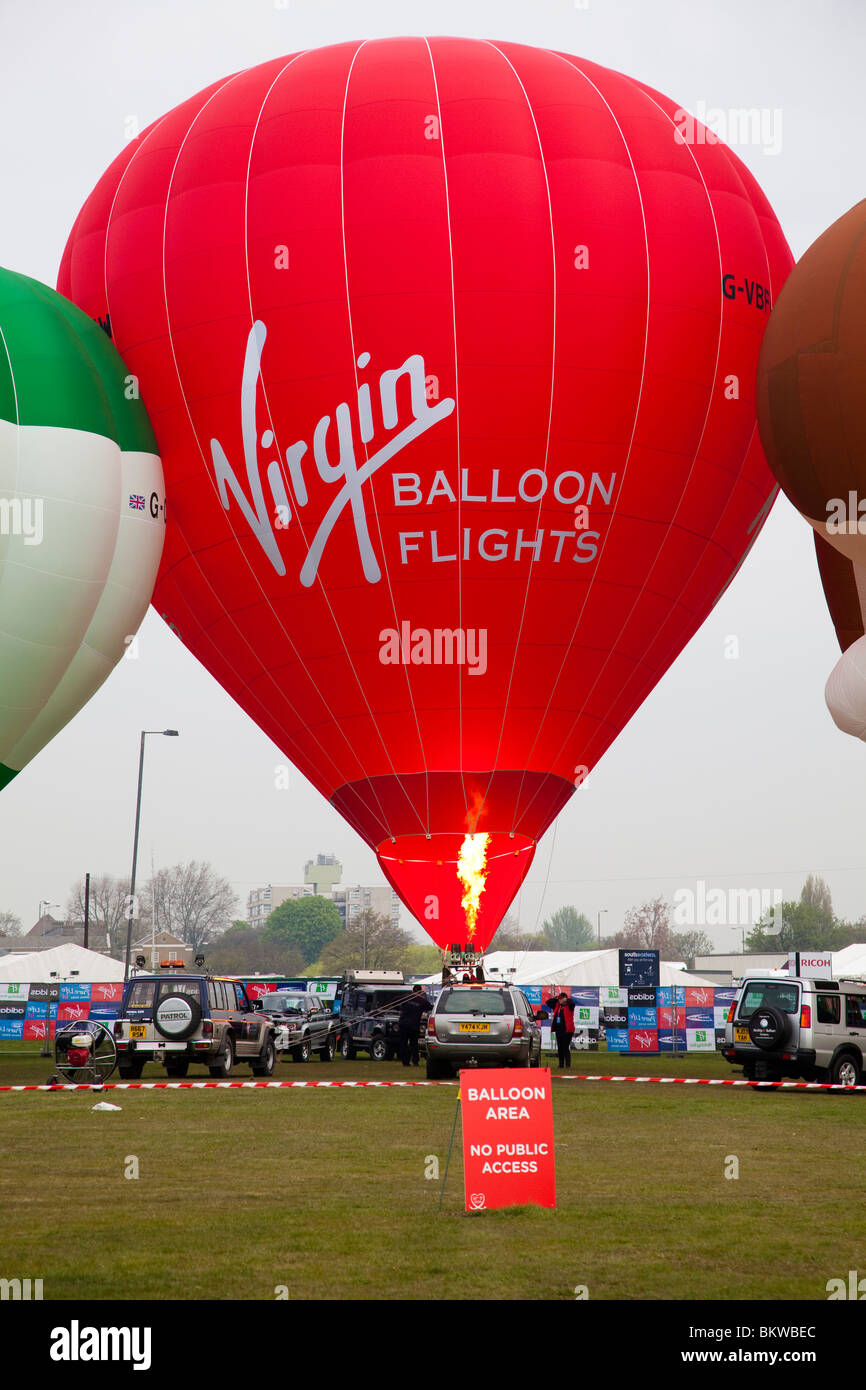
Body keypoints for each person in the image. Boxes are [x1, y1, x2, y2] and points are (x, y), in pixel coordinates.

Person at [398, 984, 432, 1067]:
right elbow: (430, 1007)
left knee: (403, 1044)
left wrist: (400, 1009)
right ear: (420, 992)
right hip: (414, 1025)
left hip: (403, 1024)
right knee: (414, 1044)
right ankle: (415, 1061)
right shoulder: (422, 1001)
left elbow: (395, 1002)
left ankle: (405, 1062)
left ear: (413, 990)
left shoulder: (405, 997)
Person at [550, 991, 576, 1069]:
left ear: (565, 999)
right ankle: (561, 1064)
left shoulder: (569, 1006)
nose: (559, 1000)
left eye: (561, 999)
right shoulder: (558, 1006)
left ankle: (567, 1064)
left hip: (567, 1030)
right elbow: (548, 1002)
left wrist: (567, 1000)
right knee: (560, 1047)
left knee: (565, 1047)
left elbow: (573, 1004)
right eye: (559, 999)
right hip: (559, 1030)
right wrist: (555, 998)